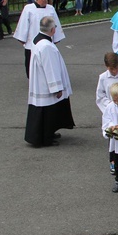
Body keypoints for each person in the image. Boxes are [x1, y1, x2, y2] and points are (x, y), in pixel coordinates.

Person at [24, 16, 75, 147]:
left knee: (48, 110)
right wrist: (56, 88)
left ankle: (48, 133)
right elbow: (50, 68)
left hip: (40, 82)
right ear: (52, 30)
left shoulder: (38, 39)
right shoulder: (46, 46)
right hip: (45, 85)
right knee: (48, 112)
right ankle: (45, 138)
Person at [14, 0, 65, 77]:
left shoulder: (50, 8)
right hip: (32, 42)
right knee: (30, 62)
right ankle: (31, 78)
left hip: (47, 41)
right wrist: (22, 38)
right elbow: (23, 24)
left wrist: (56, 38)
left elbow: (55, 23)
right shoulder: (28, 8)